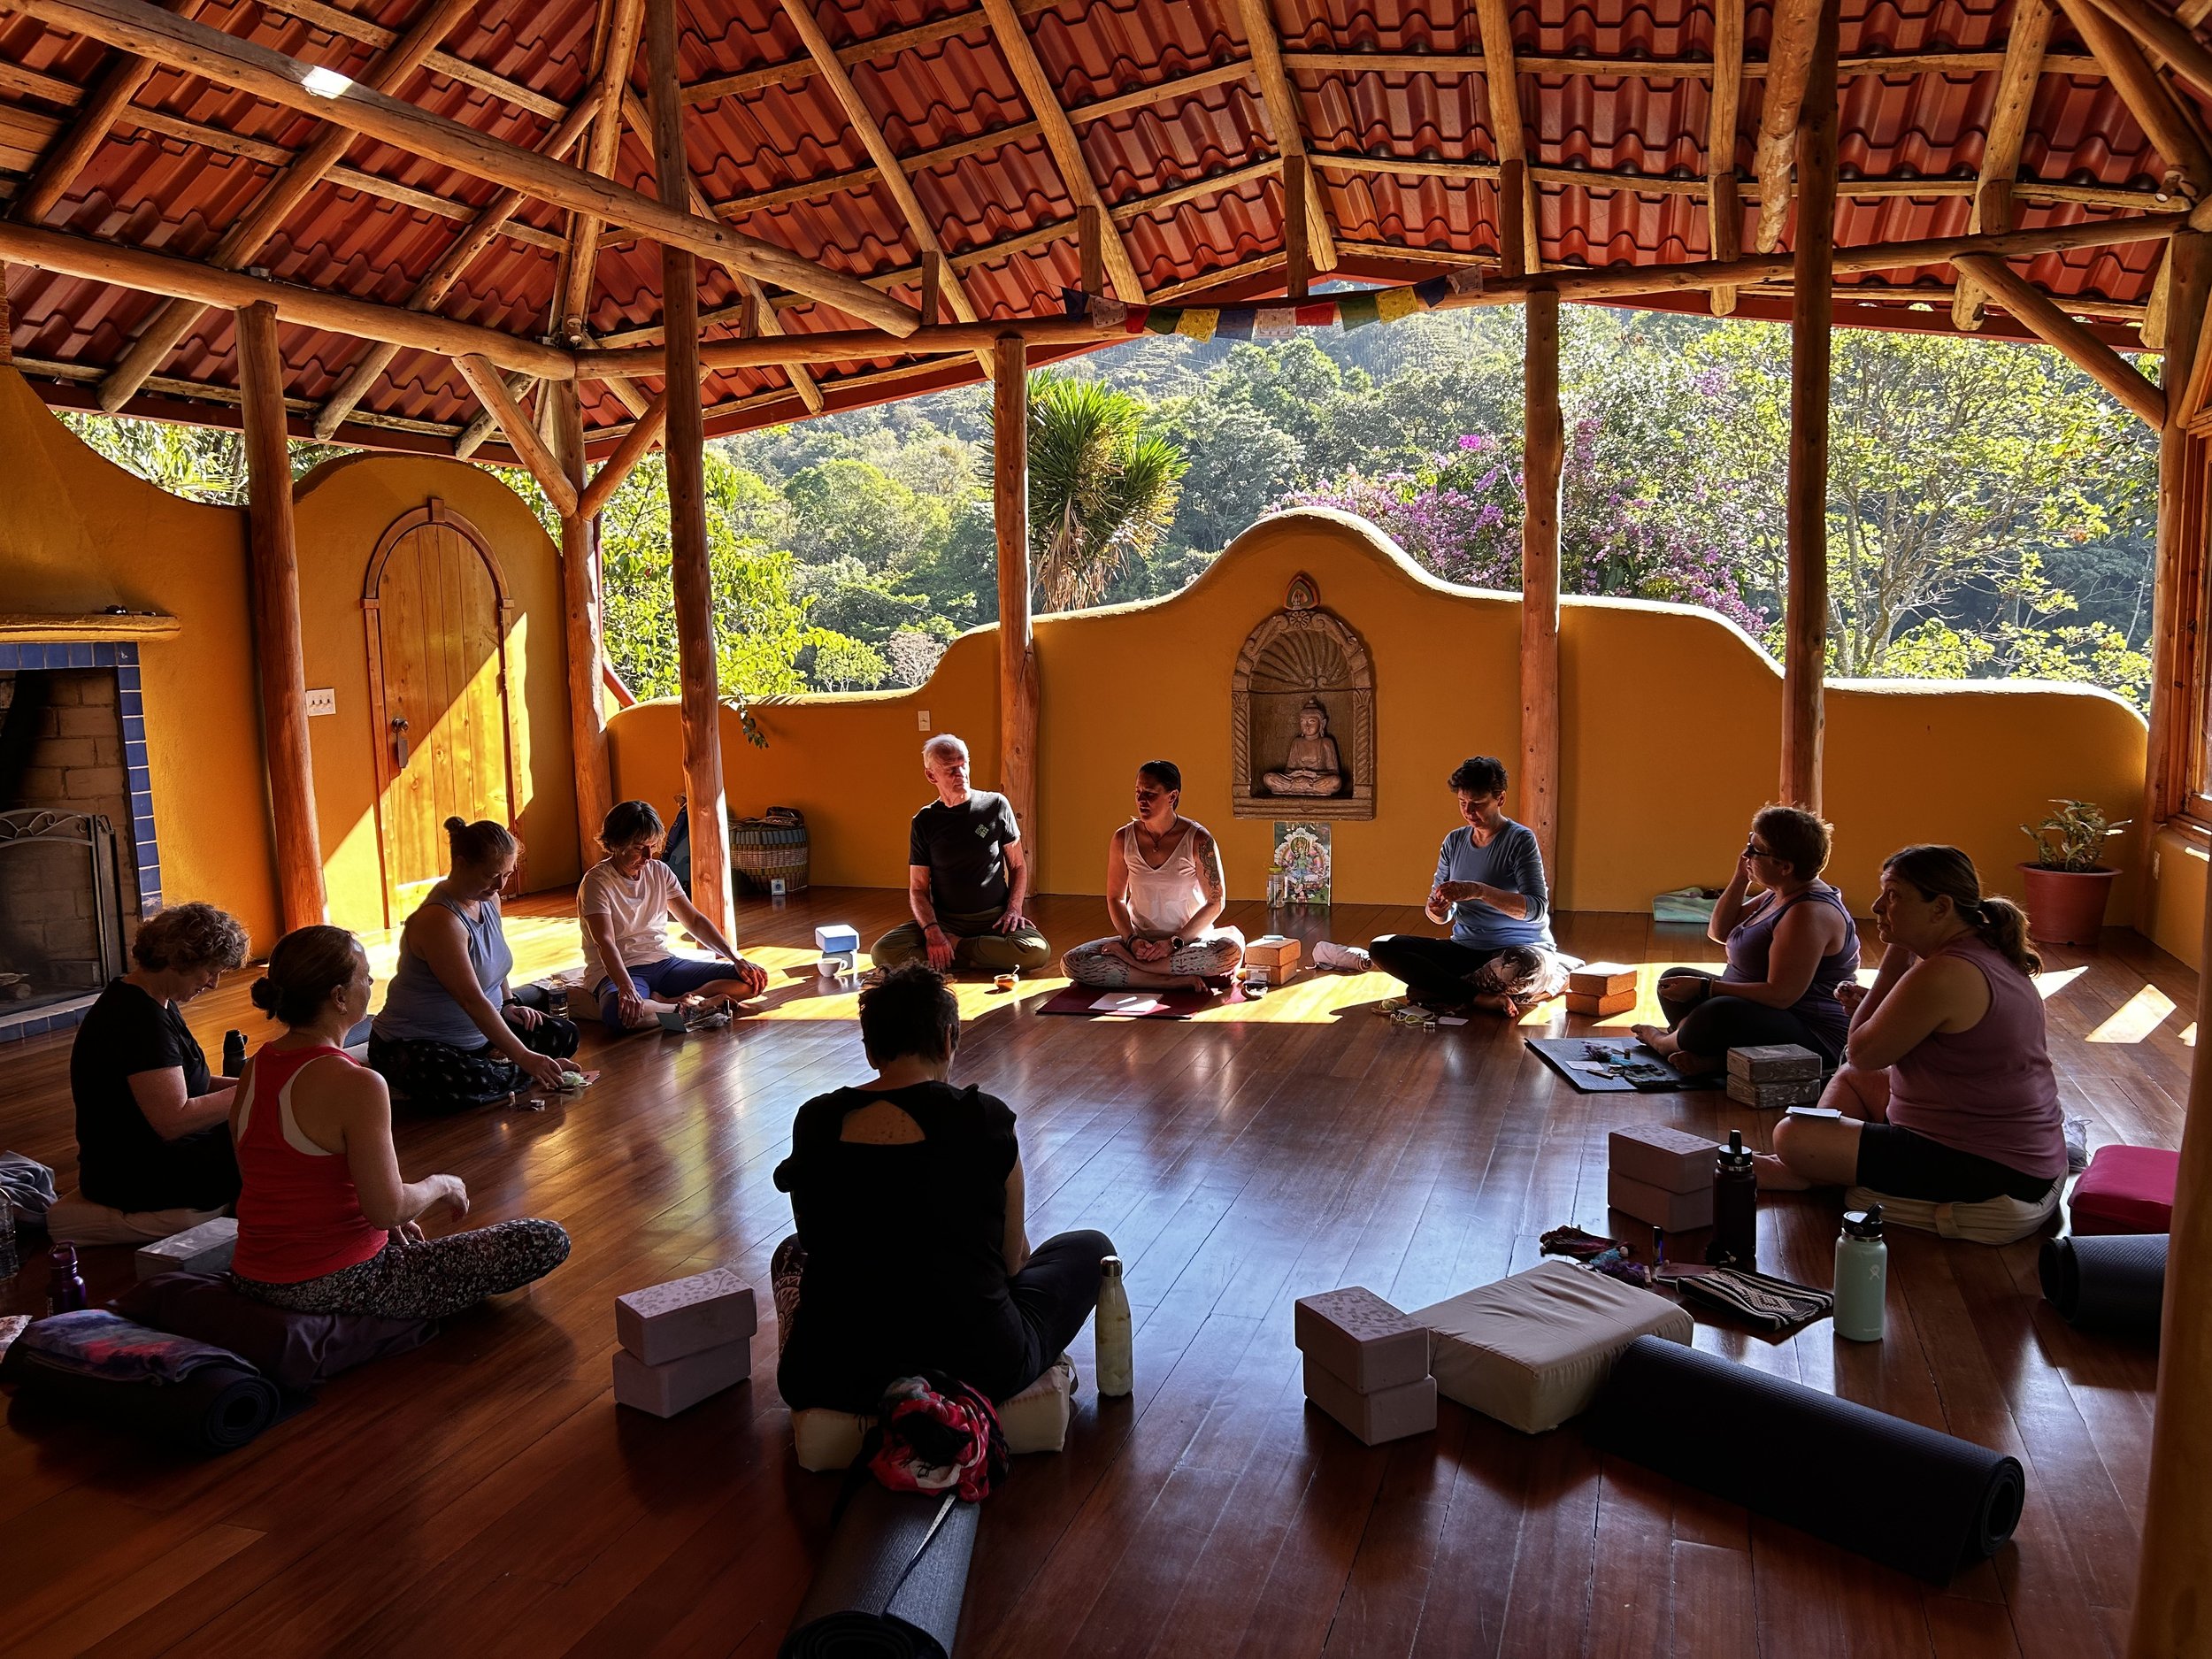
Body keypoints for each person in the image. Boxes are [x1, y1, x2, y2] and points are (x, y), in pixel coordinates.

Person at [772, 964, 1115, 1412]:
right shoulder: (984, 1119)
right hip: (980, 1364)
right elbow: (1013, 1263)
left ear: (870, 1049)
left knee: (792, 1250)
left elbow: (815, 1237)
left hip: (828, 1372)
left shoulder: (816, 1120)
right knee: (1091, 1248)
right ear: (950, 1038)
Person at [227, 925, 570, 1318]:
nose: (371, 981)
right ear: (339, 997)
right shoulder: (358, 1082)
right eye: (364, 974)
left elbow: (272, 1180)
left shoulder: (255, 1068)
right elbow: (388, 1209)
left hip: (252, 1275)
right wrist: (443, 1184)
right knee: (543, 1239)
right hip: (340, 1282)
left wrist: (386, 1226)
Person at [1757, 845, 2067, 1213]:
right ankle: (1816, 1164)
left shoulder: (1944, 972)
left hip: (1988, 1164)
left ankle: (1808, 1165)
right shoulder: (1984, 950)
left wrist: (1893, 960)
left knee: (1792, 1134)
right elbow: (1870, 1058)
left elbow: (1861, 1050)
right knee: (1852, 1079)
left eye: (1893, 896)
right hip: (2015, 1147)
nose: (1877, 907)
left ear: (1940, 908)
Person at [367, 817, 580, 1109]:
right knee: (474, 1079)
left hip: (480, 1037)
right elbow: (472, 1001)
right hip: (414, 1045)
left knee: (562, 1033)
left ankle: (505, 1069)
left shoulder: (489, 900)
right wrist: (524, 1057)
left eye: (507, 874)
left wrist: (509, 1005)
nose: (501, 885)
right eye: (491, 875)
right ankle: (514, 1072)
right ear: (461, 863)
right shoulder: (441, 921)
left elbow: (496, 963)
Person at [1632, 806, 1861, 1073]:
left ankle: (1665, 1043)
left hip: (1813, 1033)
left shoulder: (1807, 913)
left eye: (1755, 850)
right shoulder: (1781, 892)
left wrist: (1706, 989)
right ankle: (1719, 1062)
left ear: (1784, 866)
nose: (1746, 855)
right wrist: (1742, 877)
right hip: (1760, 1012)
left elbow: (1781, 996)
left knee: (1717, 1013)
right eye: (1748, 844)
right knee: (1673, 979)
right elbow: (1719, 932)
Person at [70, 901, 250, 1214]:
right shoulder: (136, 1019)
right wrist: (255, 1090)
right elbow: (174, 1120)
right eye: (210, 971)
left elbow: (197, 1083)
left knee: (269, 1127)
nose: (213, 983)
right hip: (133, 1175)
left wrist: (264, 1080)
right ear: (179, 958)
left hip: (157, 1156)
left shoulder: (156, 1000)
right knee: (272, 1145)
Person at [1356, 756, 1558, 1014]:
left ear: (1501, 799)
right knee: (1383, 947)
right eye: (1463, 803)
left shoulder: (1520, 840)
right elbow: (1438, 916)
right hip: (1465, 949)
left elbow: (1536, 908)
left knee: (1524, 966)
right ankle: (1475, 996)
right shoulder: (1454, 841)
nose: (1469, 812)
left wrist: (1479, 891)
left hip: (1516, 951)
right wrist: (1438, 910)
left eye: (1477, 804)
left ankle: (1437, 990)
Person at [579, 800, 767, 1032]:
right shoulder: (597, 882)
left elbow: (695, 921)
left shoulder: (660, 871)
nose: (649, 855)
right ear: (617, 844)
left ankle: (676, 1003)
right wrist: (626, 988)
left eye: (653, 845)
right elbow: (604, 942)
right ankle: (699, 1007)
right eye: (639, 847)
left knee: (752, 980)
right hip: (622, 970)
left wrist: (736, 958)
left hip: (664, 964)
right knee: (618, 1014)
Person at [871, 734, 1050, 976]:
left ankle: (953, 950)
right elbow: (918, 888)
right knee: (882, 952)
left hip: (995, 918)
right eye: (950, 769)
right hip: (946, 921)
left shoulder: (996, 805)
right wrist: (933, 931)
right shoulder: (925, 821)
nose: (961, 773)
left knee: (1037, 951)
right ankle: (980, 957)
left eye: (963, 763)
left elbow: (1018, 865)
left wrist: (1013, 910)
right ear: (931, 775)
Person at [1063, 760, 1244, 990]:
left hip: (1187, 944)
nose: (1141, 800)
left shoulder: (1199, 840)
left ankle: (1137, 971)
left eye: (1150, 794)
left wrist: (1172, 944)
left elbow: (1216, 902)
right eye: (1138, 792)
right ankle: (1167, 979)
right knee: (1074, 963)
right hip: (1138, 943)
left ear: (1172, 796)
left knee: (1229, 952)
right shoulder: (1122, 839)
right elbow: (1115, 898)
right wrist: (1131, 941)